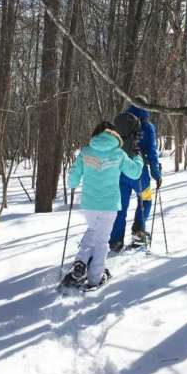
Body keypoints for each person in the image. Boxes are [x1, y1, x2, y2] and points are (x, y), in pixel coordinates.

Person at [62, 121, 143, 290]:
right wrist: (138, 158)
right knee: (101, 241)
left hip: (89, 205)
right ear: (113, 134)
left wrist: (74, 175)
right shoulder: (118, 153)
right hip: (109, 205)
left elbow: (72, 181)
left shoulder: (85, 152)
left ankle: (80, 264)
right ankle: (95, 277)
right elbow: (135, 173)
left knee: (93, 231)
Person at [109, 97, 163, 252]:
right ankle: (139, 232)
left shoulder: (119, 124)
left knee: (120, 207)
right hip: (139, 174)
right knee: (145, 200)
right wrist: (156, 174)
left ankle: (115, 240)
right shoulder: (147, 126)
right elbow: (152, 153)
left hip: (120, 172)